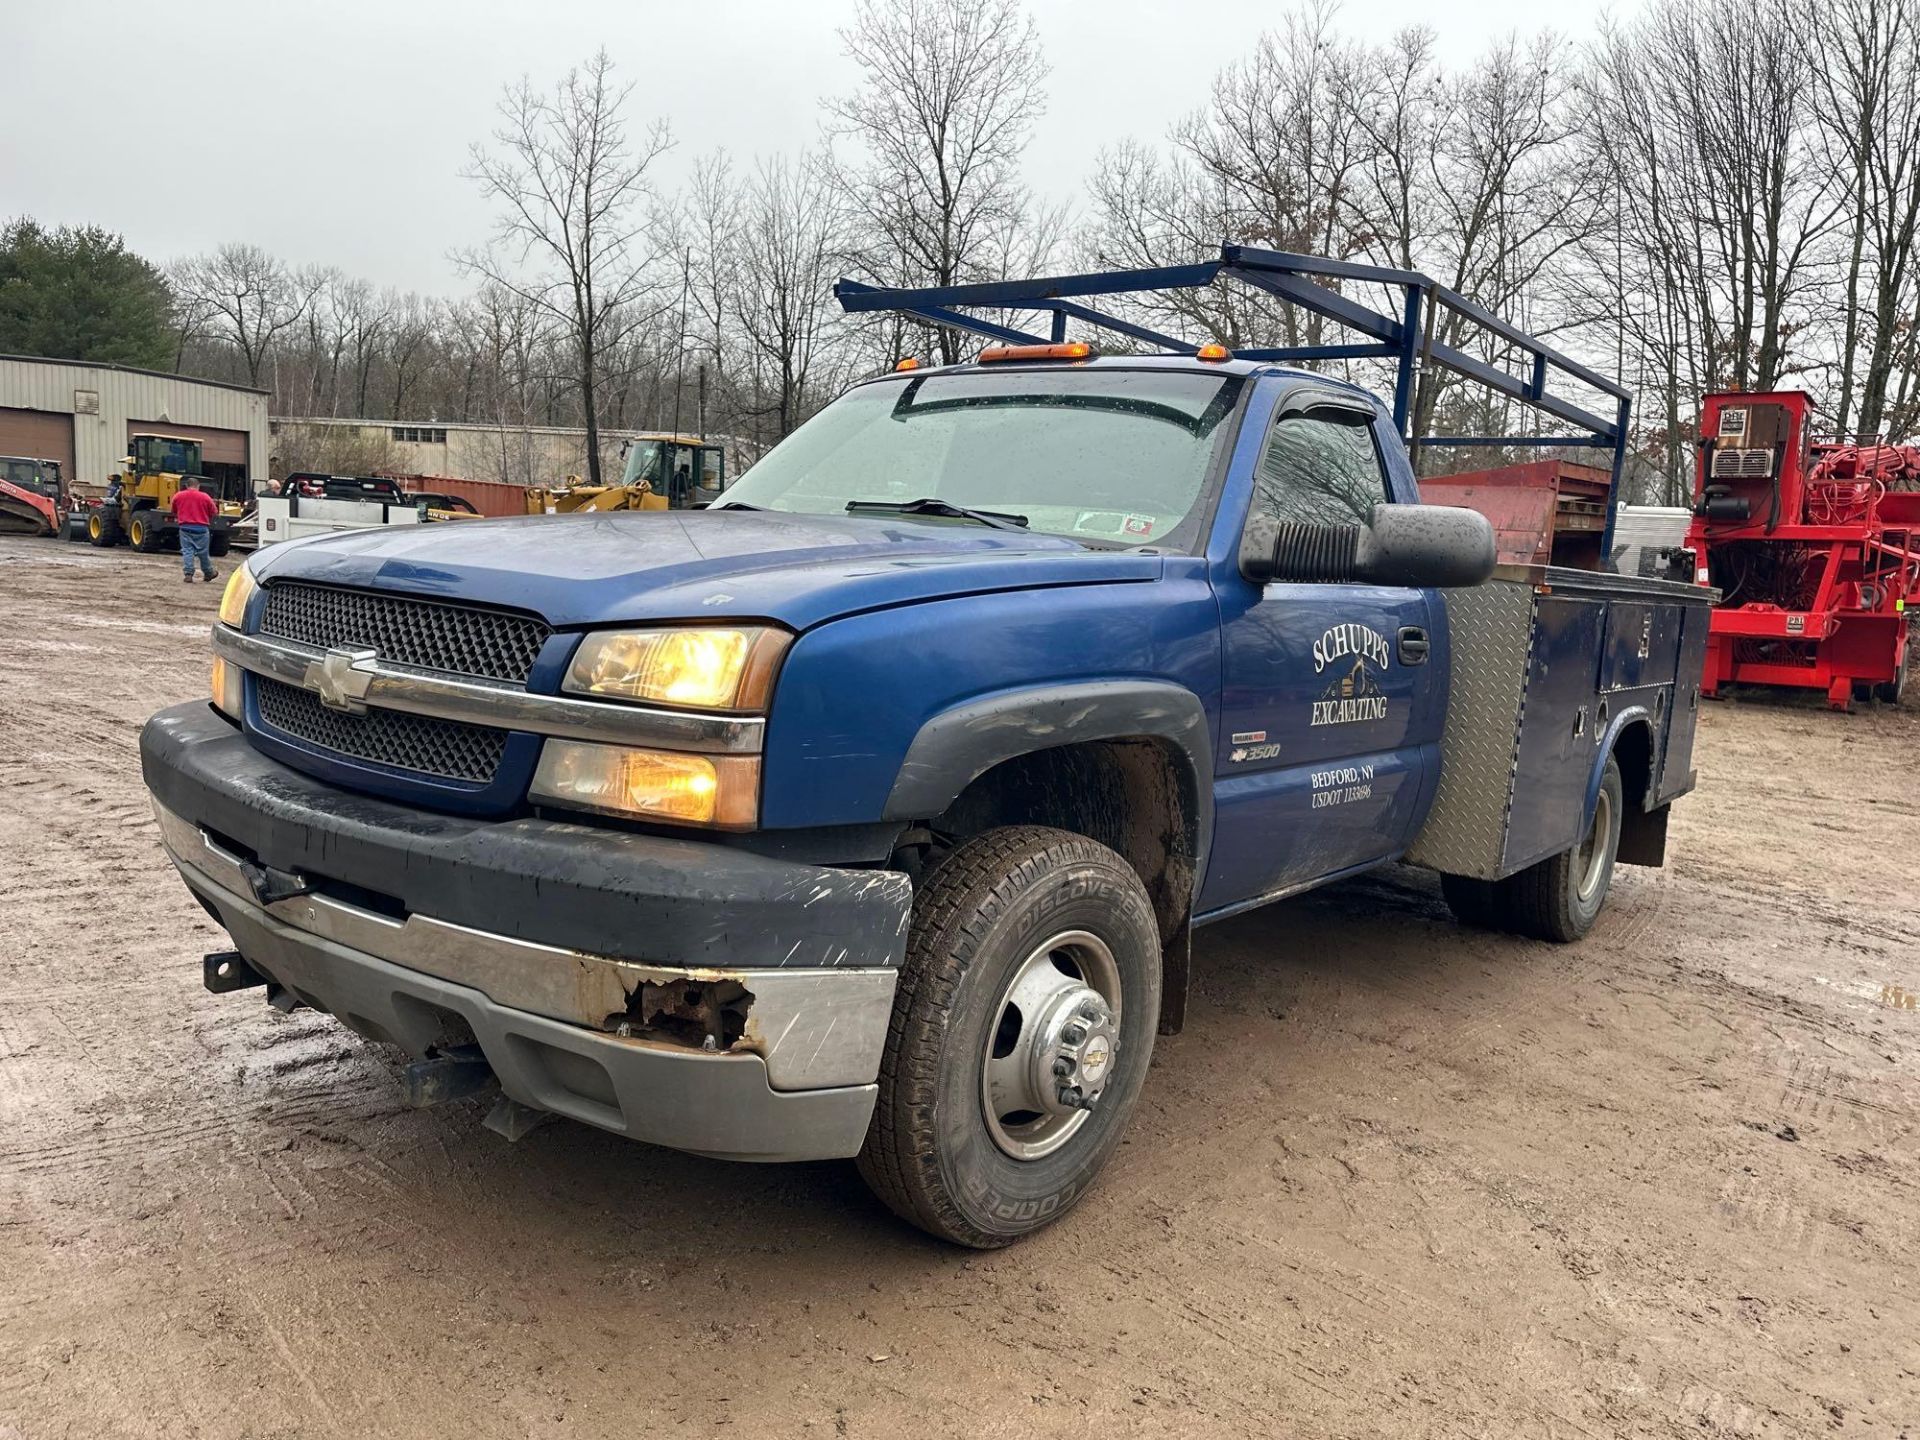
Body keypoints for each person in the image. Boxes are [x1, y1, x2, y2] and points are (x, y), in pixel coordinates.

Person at [171, 480, 219, 584]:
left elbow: (174, 510)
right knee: (203, 552)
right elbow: (214, 511)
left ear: (186, 486)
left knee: (187, 551)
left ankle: (188, 574)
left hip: (185, 528)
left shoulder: (178, 496)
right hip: (201, 528)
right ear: (198, 486)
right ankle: (208, 572)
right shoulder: (205, 497)